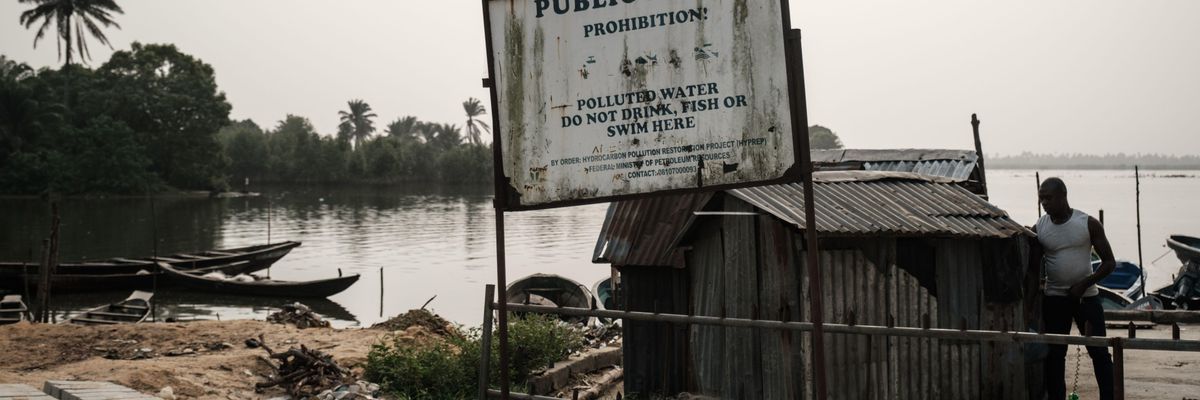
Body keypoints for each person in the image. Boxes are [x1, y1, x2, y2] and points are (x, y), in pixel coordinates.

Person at [1029, 177, 1116, 400]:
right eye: (1041, 198)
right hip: (1055, 298)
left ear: (1063, 196)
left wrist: (1084, 283)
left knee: (1098, 352)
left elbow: (1109, 263)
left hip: (1087, 298)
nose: (1044, 203)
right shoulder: (1040, 227)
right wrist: (1030, 300)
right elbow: (1033, 269)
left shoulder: (1087, 223)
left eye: (1048, 198)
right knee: (1056, 354)